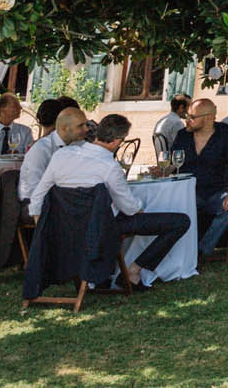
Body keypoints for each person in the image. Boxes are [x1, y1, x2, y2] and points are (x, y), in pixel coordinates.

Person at [30, 112, 189, 287]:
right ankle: (133, 270)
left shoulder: (62, 155)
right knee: (180, 221)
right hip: (99, 229)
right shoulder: (110, 166)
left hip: (63, 228)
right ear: (117, 142)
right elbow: (128, 207)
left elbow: (38, 194)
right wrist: (139, 208)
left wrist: (41, 229)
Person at [171, 97, 228, 256]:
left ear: (209, 117)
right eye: (187, 116)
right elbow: (173, 164)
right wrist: (162, 169)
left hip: (215, 193)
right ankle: (175, 251)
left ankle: (200, 251)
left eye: (192, 117)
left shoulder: (226, 132)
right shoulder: (182, 135)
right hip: (188, 192)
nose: (187, 120)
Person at [18, 105, 87, 217]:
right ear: (64, 128)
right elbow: (33, 188)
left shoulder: (80, 145)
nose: (86, 129)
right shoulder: (41, 149)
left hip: (66, 199)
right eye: (80, 126)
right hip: (34, 203)